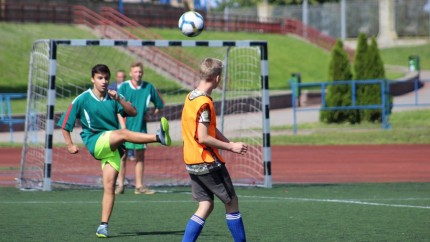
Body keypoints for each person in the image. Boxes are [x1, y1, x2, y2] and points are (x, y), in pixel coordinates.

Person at [57, 64, 171, 238]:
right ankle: (158, 138)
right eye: (100, 78)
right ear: (92, 79)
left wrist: (119, 99)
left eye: (106, 78)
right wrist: (69, 144)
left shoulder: (113, 96)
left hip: (113, 148)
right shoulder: (82, 99)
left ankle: (103, 226)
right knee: (123, 133)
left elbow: (133, 112)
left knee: (109, 187)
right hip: (95, 141)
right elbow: (65, 125)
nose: (103, 82)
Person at [181, 58, 248, 242]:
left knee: (206, 204)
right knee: (231, 202)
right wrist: (230, 147)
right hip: (207, 162)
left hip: (191, 160)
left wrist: (230, 142)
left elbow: (208, 127)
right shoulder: (204, 103)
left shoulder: (191, 97)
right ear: (217, 78)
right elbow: (203, 137)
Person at [115, 61, 165, 195]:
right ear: (131, 73)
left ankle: (139, 186)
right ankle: (120, 185)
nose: (138, 74)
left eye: (140, 72)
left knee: (140, 157)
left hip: (140, 128)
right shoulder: (124, 87)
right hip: (125, 129)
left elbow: (159, 105)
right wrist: (123, 126)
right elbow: (117, 107)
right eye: (136, 72)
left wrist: (149, 115)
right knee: (122, 156)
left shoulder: (149, 87)